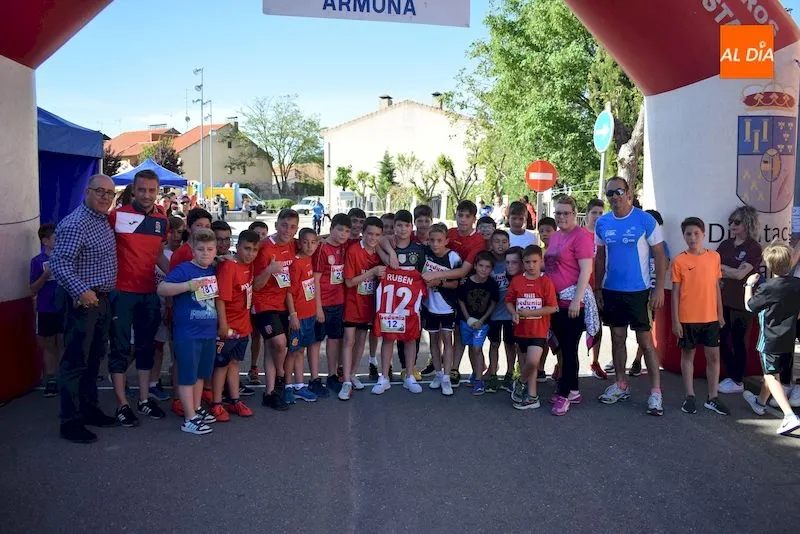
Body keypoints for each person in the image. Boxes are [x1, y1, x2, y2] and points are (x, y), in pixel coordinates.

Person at [51, 174, 118, 443]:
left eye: (109, 193)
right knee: (75, 361)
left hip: (100, 300)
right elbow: (59, 264)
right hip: (81, 302)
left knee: (93, 359)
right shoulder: (76, 223)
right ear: (87, 192)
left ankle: (89, 409)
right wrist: (81, 291)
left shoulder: (101, 220)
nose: (105, 197)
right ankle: (70, 421)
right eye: (99, 191)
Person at [595, 176, 667, 412]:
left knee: (645, 342)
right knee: (617, 338)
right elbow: (600, 257)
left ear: (628, 193)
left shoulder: (645, 219)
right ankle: (621, 384)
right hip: (611, 290)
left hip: (639, 292)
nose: (614, 197)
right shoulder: (602, 223)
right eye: (610, 193)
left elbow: (660, 255)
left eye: (619, 191)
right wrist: (597, 288)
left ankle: (655, 393)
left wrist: (658, 289)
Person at [107, 169, 169, 427]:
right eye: (141, 190)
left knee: (146, 348)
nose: (146, 195)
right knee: (120, 349)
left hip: (148, 293)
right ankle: (122, 404)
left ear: (158, 191)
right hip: (121, 293)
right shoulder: (116, 216)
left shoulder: (162, 220)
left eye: (151, 190)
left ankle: (144, 399)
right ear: (133, 190)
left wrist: (179, 277)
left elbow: (157, 255)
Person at [158, 228, 218, 435]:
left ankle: (196, 407)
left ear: (215, 250)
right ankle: (189, 418)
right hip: (188, 333)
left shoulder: (213, 269)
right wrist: (188, 285)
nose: (205, 253)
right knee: (187, 376)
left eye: (209, 249)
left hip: (208, 332)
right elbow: (162, 288)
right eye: (200, 249)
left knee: (201, 374)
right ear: (192, 250)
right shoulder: (184, 269)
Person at [545, 196, 597, 416]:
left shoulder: (581, 236)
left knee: (568, 349)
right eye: (558, 213)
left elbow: (586, 270)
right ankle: (573, 390)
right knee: (562, 348)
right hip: (555, 302)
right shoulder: (556, 236)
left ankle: (564, 395)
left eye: (566, 213)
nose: (562, 217)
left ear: (575, 214)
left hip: (572, 302)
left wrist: (577, 299)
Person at [670, 217, 728, 415]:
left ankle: (713, 397)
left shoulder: (714, 257)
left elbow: (716, 287)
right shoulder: (679, 260)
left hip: (710, 318)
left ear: (703, 234)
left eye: (696, 233)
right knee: (688, 356)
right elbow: (675, 293)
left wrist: (720, 313)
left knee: (713, 357)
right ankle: (690, 396)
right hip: (687, 318)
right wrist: (675, 321)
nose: (692, 237)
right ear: (684, 236)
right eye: (688, 234)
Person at [743, 242, 800, 435]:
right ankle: (760, 402)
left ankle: (789, 416)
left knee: (770, 375)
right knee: (773, 372)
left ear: (769, 265)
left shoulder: (767, 287)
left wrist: (749, 285)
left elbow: (749, 306)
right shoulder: (797, 284)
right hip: (789, 337)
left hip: (769, 339)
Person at [209, 229, 260, 422]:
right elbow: (220, 298)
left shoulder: (250, 265)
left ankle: (234, 399)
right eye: (247, 248)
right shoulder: (229, 267)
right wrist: (223, 325)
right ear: (237, 247)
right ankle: (216, 403)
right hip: (228, 325)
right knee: (221, 364)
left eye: (254, 249)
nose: (250, 253)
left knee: (234, 362)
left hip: (243, 325)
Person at [252, 208, 299, 410]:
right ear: (276, 224)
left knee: (273, 347)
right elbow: (255, 285)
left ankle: (270, 392)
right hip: (263, 304)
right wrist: (269, 271)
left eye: (292, 227)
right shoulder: (264, 247)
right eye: (284, 225)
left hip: (283, 303)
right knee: (279, 343)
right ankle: (281, 374)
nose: (287, 230)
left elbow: (315, 241)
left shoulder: (293, 244)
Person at [716, 205, 762, 394]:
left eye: (737, 222)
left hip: (742, 303)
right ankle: (731, 376)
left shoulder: (753, 247)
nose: (732, 225)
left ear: (747, 223)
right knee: (721, 339)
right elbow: (715, 268)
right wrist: (730, 270)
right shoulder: (725, 244)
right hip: (722, 300)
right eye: (731, 222)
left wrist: (724, 269)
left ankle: (737, 380)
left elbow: (739, 275)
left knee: (739, 341)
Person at [339, 217, 385, 400]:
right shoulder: (354, 251)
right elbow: (349, 282)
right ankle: (346, 381)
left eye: (377, 235)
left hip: (369, 304)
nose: (373, 238)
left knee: (361, 341)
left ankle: (352, 374)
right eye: (370, 234)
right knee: (349, 341)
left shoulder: (379, 252)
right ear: (363, 233)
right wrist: (372, 272)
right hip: (352, 303)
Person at [507, 245, 558, 409]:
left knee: (533, 361)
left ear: (541, 261)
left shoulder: (545, 281)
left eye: (535, 262)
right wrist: (513, 313)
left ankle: (520, 382)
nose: (531, 265)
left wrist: (530, 313)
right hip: (521, 330)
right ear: (523, 262)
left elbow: (552, 307)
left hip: (539, 330)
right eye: (527, 262)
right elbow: (509, 301)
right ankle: (532, 396)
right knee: (528, 364)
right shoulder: (517, 281)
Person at [625, 209, 672, 377]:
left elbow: (665, 266)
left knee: (644, 330)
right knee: (622, 329)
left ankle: (637, 360)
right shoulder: (635, 242)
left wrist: (658, 290)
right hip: (632, 292)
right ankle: (620, 359)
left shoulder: (662, 246)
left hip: (651, 295)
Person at [371, 266, 429, 395]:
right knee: (388, 340)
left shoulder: (416, 275)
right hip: (390, 312)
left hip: (406, 314)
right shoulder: (385, 270)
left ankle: (409, 376)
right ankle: (384, 377)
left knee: (410, 340)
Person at [421, 223, 462, 396]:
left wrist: (439, 282)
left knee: (447, 341)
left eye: (439, 240)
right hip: (429, 306)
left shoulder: (453, 257)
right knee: (434, 340)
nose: (435, 244)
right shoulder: (426, 254)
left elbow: (457, 283)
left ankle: (446, 377)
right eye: (432, 240)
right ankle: (438, 374)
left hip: (447, 307)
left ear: (446, 240)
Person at [312, 213, 351, 394]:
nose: (343, 234)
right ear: (331, 229)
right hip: (322, 303)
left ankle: (332, 375)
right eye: (340, 230)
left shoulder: (345, 246)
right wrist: (318, 307)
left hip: (339, 302)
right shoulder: (322, 248)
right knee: (316, 341)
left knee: (335, 339)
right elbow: (315, 280)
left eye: (347, 231)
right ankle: (314, 378)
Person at [285, 228, 322, 402]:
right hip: (298, 316)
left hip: (309, 315)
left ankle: (299, 386)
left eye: (313, 242)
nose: (309, 246)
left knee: (300, 350)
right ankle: (287, 386)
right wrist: (293, 314)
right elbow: (289, 292)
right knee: (292, 352)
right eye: (306, 242)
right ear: (299, 243)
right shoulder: (296, 263)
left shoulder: (309, 259)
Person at [457, 251, 500, 395]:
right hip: (467, 321)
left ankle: (479, 381)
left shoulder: (492, 284)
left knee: (477, 348)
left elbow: (493, 303)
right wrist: (468, 318)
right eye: (481, 266)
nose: (484, 269)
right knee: (471, 347)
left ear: (491, 269)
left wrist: (482, 320)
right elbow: (461, 301)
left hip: (483, 323)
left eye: (488, 267)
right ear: (475, 266)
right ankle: (476, 372)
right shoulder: (466, 282)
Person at [30, 223, 62, 397]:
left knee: (64, 341)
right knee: (49, 343)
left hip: (64, 307)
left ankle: (66, 374)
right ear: (45, 241)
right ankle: (51, 378)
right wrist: (45, 275)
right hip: (46, 308)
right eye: (56, 238)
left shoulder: (65, 258)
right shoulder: (37, 261)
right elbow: (33, 289)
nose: (59, 240)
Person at [486, 229, 513, 393]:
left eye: (504, 242)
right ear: (491, 243)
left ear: (509, 244)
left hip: (510, 312)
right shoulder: (487, 261)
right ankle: (493, 375)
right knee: (494, 343)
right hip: (493, 312)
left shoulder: (513, 261)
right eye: (497, 241)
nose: (500, 245)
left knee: (510, 344)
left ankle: (510, 374)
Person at [246, 220, 269, 386]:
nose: (260, 238)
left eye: (263, 235)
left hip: (262, 302)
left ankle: (254, 367)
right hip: (244, 301)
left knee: (258, 336)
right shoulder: (246, 253)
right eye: (257, 234)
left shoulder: (268, 252)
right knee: (240, 337)